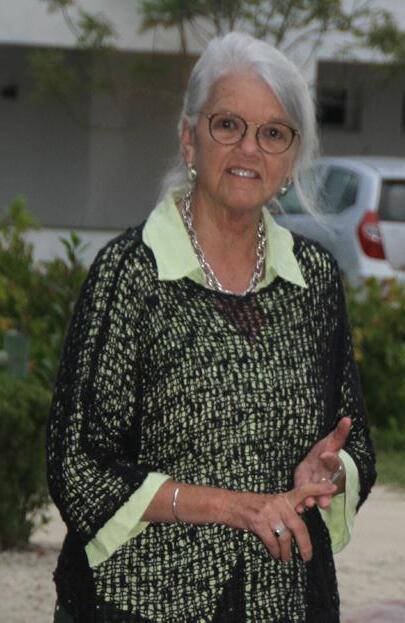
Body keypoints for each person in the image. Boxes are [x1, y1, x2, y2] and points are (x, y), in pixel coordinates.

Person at [47, 32, 376, 623]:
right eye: (228, 125)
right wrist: (231, 506)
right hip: (139, 603)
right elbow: (78, 464)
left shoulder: (315, 280)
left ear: (291, 157)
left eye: (273, 133)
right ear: (188, 138)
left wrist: (330, 470)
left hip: (283, 601)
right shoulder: (131, 274)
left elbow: (353, 443)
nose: (249, 148)